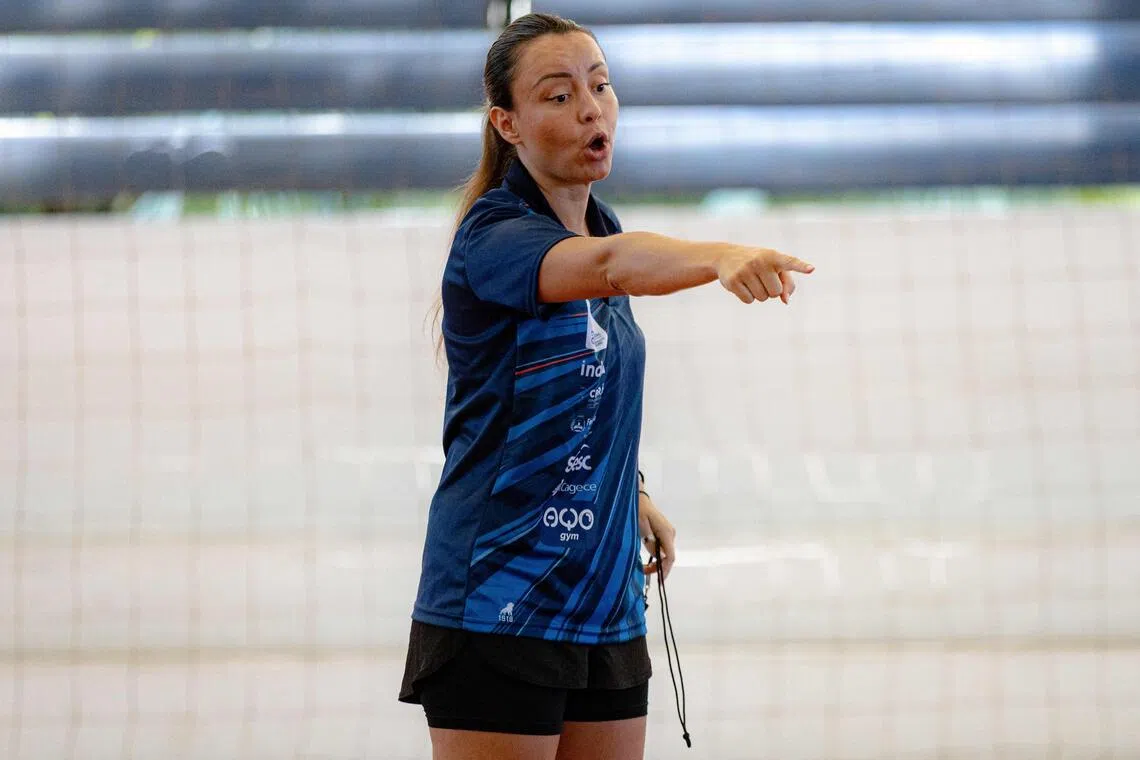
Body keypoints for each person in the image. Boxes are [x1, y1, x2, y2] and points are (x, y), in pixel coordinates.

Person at [400, 12, 814, 760]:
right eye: (559, 96)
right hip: (499, 597)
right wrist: (721, 255)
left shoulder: (601, 221)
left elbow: (589, 386)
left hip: (603, 597)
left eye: (601, 86)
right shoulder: (495, 236)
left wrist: (635, 493)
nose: (591, 109)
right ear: (508, 124)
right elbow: (611, 267)